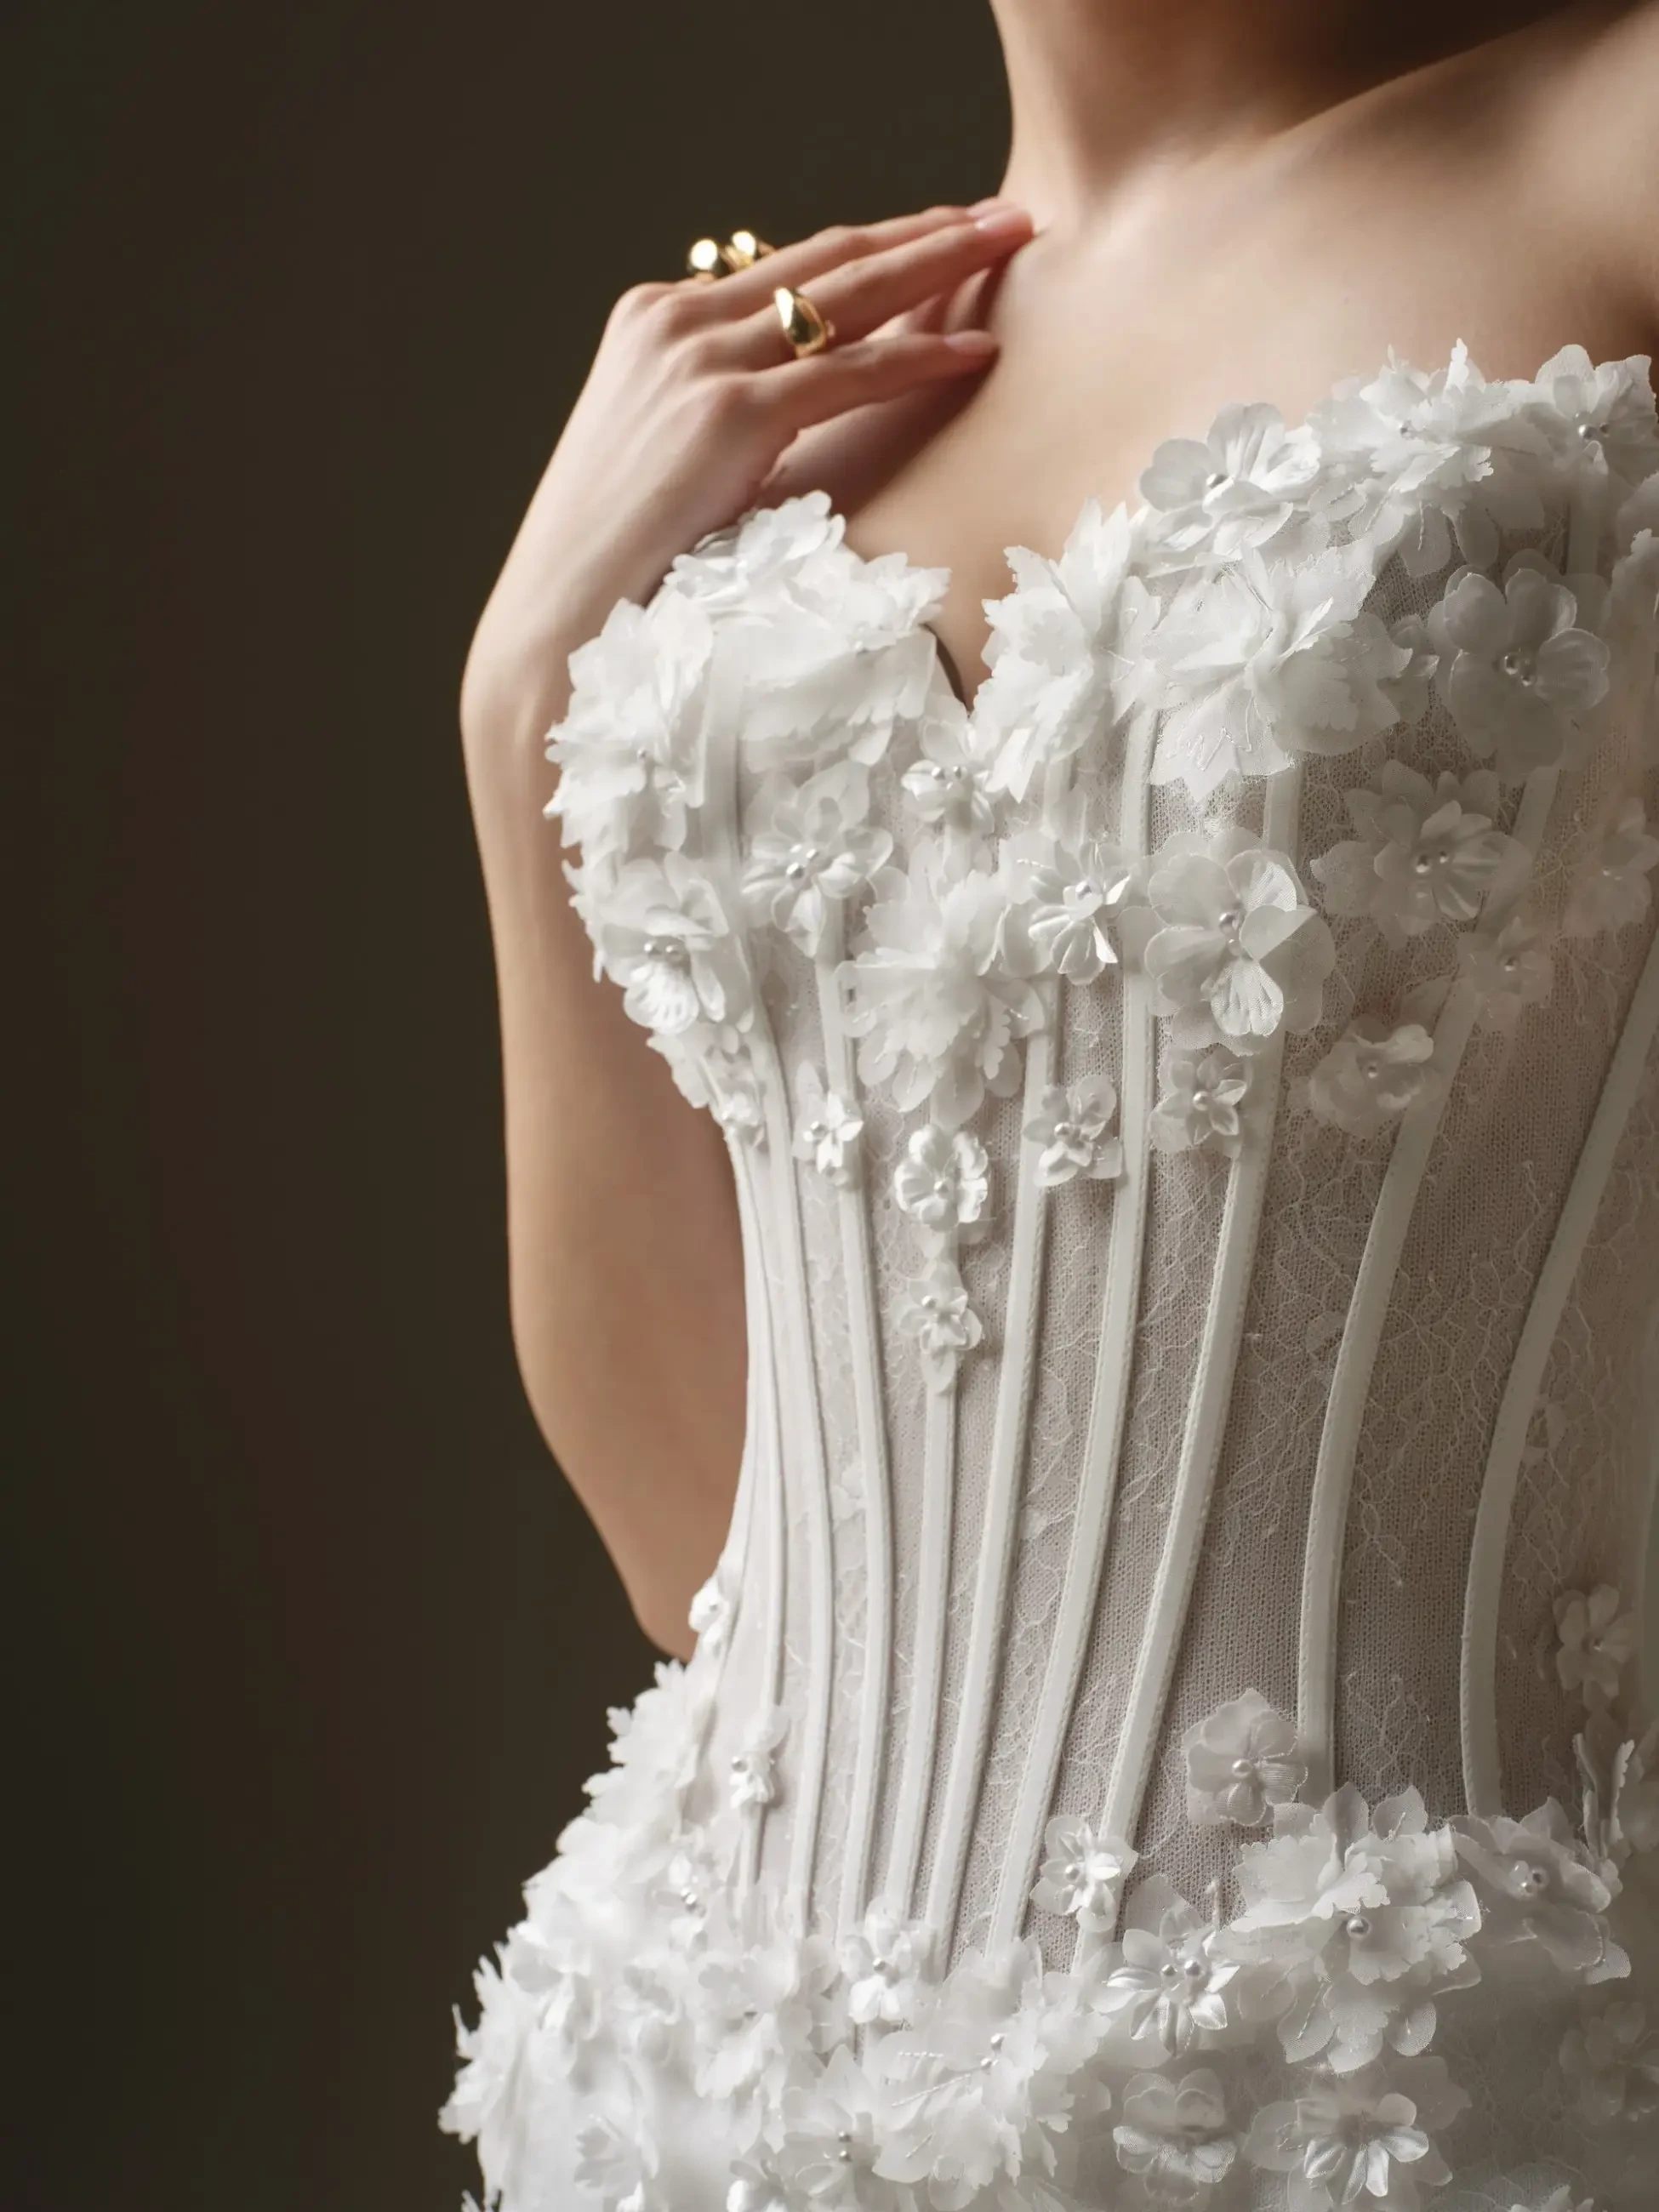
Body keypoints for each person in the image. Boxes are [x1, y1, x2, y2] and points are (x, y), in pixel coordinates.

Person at [446, 3, 1659, 2206]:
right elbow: (702, 1538)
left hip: (1397, 2108)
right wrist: (518, 686)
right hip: (696, 2101)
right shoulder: (803, 376)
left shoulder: (1609, 149)